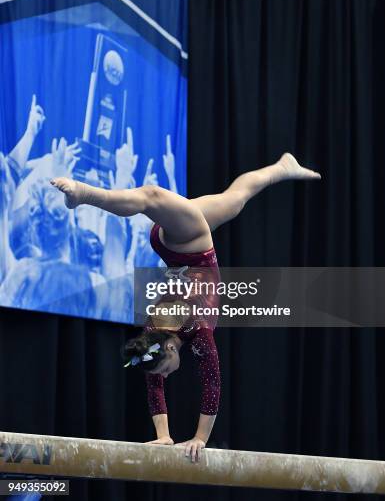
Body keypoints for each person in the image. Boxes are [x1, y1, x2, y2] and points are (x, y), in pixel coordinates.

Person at [51, 152, 321, 461]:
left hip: (191, 244)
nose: (164, 376)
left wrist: (197, 438)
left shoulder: (173, 329)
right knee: (235, 198)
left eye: (164, 369)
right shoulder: (182, 335)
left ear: (169, 349)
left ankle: (83, 194)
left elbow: (204, 385)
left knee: (151, 196)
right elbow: (210, 384)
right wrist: (168, 438)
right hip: (182, 246)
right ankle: (282, 168)